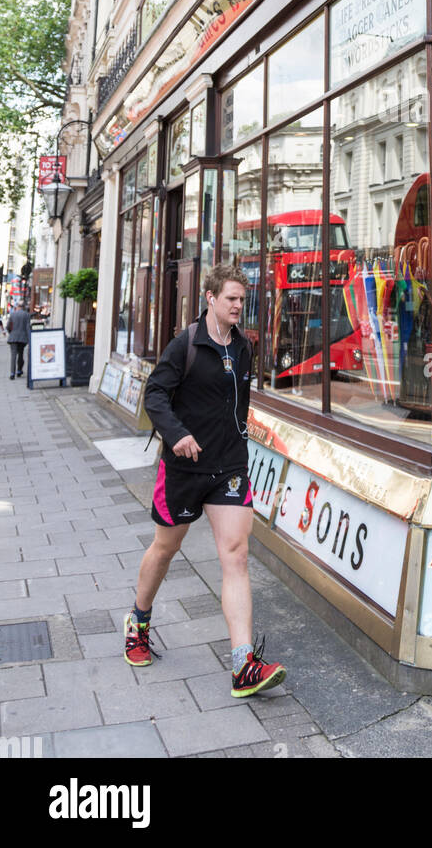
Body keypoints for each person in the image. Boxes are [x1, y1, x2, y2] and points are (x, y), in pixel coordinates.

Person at [126, 263, 286, 698]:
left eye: (242, 298)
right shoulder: (185, 344)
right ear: (210, 299)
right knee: (165, 549)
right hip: (182, 469)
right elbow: (155, 394)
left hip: (228, 469)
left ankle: (243, 664)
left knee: (235, 555)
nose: (239, 305)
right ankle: (139, 621)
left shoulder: (244, 347)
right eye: (231, 298)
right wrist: (177, 436)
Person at [7, 305, 31, 379]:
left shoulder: (12, 314)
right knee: (21, 354)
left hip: (13, 337)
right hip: (22, 338)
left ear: (17, 308)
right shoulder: (26, 315)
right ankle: (19, 371)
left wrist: (11, 332)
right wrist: (29, 338)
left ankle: (12, 373)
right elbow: (27, 327)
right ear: (23, 308)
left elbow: (8, 326)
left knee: (13, 356)